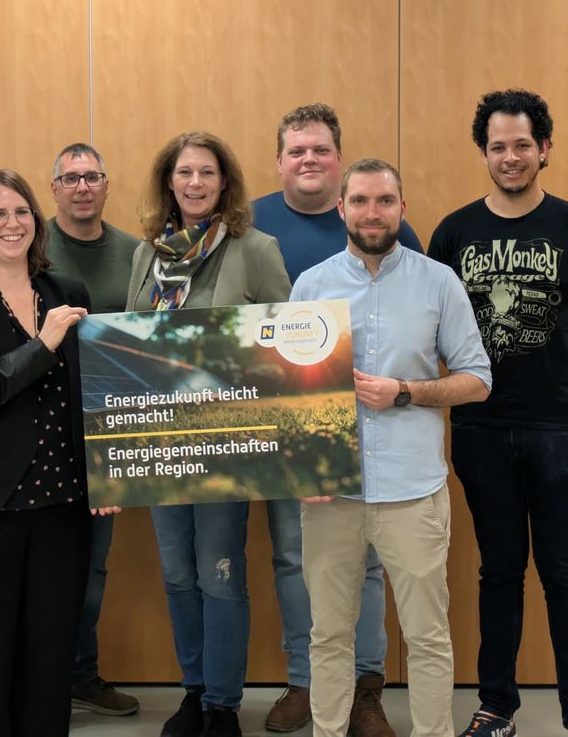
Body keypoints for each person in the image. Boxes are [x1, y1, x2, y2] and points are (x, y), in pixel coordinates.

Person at [292, 158, 492, 737]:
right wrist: (301, 466)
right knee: (328, 634)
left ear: (402, 208)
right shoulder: (312, 286)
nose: (372, 213)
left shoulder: (438, 282)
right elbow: (290, 392)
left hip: (413, 491)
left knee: (428, 635)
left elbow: (477, 380)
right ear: (341, 209)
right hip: (333, 494)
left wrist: (405, 391)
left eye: (384, 201)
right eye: (360, 201)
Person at [253, 103, 422, 735]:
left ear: (339, 158)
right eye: (297, 150)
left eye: (320, 149)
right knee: (296, 557)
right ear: (280, 160)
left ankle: (367, 688)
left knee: (369, 562)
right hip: (290, 420)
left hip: (377, 426)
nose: (308, 160)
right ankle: (307, 681)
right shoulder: (253, 221)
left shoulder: (384, 222)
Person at [0, 169, 117, 737]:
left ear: (36, 222)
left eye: (21, 212)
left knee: (49, 655)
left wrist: (108, 473)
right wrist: (43, 345)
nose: (12, 224)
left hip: (63, 507)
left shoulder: (68, 295)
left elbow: (93, 392)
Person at [126, 131, 292, 737]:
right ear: (168, 181)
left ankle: (223, 703)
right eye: (184, 172)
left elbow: (288, 348)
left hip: (228, 443)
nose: (194, 183)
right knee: (176, 573)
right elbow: (130, 344)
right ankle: (192, 691)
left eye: (207, 172)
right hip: (159, 444)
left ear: (225, 183)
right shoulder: (148, 254)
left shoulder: (255, 247)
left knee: (220, 572)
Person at [428, 89, 568, 737]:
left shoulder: (566, 225)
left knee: (564, 574)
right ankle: (498, 707)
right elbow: (429, 331)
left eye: (521, 145)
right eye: (497, 147)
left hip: (558, 429)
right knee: (500, 571)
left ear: (544, 149)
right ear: (483, 152)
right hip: (480, 429)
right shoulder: (454, 233)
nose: (509, 157)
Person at [47, 142, 140, 717]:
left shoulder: (136, 254)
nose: (83, 186)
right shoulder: (28, 249)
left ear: (107, 186)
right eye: (71, 177)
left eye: (93, 177)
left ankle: (81, 673)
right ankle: (37, 679)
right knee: (36, 559)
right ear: (52, 187)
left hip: (108, 432)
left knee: (92, 564)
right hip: (37, 428)